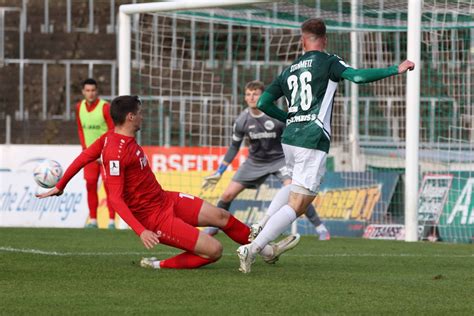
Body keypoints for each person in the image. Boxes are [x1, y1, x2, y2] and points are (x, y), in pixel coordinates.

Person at [37, 95, 300, 270]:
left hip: (165, 199)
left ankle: (263, 251)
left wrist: (60, 185)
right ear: (130, 117)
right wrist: (141, 230)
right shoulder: (115, 151)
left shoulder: (108, 138)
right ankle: (158, 265)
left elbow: (83, 156)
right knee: (215, 250)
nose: (142, 116)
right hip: (154, 219)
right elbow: (115, 199)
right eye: (139, 113)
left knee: (221, 215)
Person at [237, 18, 415, 273]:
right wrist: (394, 69)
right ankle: (252, 249)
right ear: (325, 39)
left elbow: (264, 102)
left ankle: (262, 223)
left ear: (302, 40)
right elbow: (358, 76)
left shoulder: (290, 69)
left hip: (289, 139)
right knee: (300, 204)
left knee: (293, 187)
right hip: (312, 138)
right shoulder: (329, 61)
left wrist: (287, 117)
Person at [202, 80, 330, 240]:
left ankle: (320, 227)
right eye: (248, 94)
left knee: (295, 191)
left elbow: (293, 136)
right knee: (227, 195)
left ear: (263, 95)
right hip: (255, 162)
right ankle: (214, 227)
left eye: (255, 94)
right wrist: (219, 171)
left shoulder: (275, 116)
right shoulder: (241, 121)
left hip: (279, 160)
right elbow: (234, 147)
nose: (251, 97)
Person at [76, 78, 115, 229]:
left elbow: (113, 130)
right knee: (90, 185)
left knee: (110, 187)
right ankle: (93, 220)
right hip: (90, 156)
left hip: (106, 155)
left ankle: (111, 221)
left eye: (93, 90)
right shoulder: (79, 107)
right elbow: (80, 129)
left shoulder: (105, 107)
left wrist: (105, 153)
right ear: (83, 92)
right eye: (87, 90)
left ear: (97, 91)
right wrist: (85, 149)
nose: (90, 93)